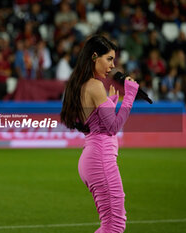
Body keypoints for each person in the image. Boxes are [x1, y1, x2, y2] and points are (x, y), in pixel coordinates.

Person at [61, 35, 139, 233]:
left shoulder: (81, 84)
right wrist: (129, 96)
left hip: (92, 158)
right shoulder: (95, 86)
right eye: (109, 59)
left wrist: (110, 104)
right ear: (94, 56)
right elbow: (112, 128)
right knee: (115, 226)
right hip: (101, 160)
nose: (113, 65)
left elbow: (95, 124)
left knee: (110, 224)